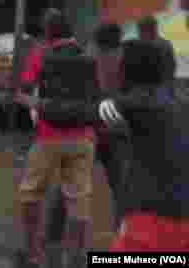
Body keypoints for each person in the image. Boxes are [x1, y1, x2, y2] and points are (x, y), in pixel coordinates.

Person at [28, 40, 189, 252]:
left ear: (130, 69)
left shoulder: (136, 103)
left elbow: (81, 113)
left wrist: (35, 103)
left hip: (149, 220)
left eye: (119, 64)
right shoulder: (177, 102)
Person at [13, 9, 96, 268]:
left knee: (31, 193)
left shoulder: (40, 54)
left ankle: (33, 255)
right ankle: (76, 257)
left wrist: (29, 100)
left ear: (48, 33)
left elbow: (24, 90)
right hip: (83, 137)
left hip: (48, 137)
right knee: (79, 198)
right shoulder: (87, 57)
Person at [91, 23, 128, 231]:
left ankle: (55, 240)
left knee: (71, 186)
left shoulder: (92, 60)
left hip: (94, 129)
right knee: (120, 187)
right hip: (117, 129)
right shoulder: (126, 61)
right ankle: (122, 233)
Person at [137, 15, 177, 87]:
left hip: (154, 87)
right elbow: (172, 68)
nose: (139, 32)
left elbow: (171, 68)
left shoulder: (134, 46)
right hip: (159, 87)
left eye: (141, 29)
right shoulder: (165, 44)